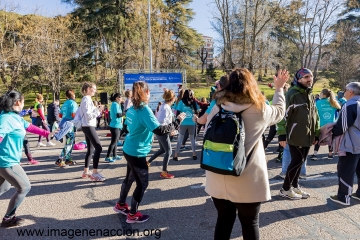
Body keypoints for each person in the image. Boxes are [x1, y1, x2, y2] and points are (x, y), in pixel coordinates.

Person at [202, 68, 288, 240]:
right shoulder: (260, 109)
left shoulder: (219, 106)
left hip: (218, 174)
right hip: (247, 177)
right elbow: (279, 112)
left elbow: (206, 133)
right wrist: (279, 89)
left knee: (224, 220)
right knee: (250, 223)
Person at [112, 81, 185, 223]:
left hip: (130, 149)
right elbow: (159, 130)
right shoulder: (144, 109)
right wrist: (177, 121)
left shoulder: (132, 108)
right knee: (142, 184)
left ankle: (121, 204)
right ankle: (132, 214)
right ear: (146, 93)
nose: (150, 94)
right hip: (137, 152)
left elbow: (127, 127)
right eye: (149, 91)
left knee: (130, 178)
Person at [0, 90, 50, 227]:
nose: (23, 104)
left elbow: (30, 127)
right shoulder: (6, 118)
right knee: (24, 187)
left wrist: (47, 133)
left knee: (3, 188)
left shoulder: (15, 117)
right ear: (17, 102)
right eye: (23, 101)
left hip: (7, 160)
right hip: (6, 161)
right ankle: (8, 219)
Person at [278, 68, 320, 200]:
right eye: (306, 77)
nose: (309, 79)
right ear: (299, 79)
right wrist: (282, 134)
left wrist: (317, 133)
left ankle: (295, 186)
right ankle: (285, 189)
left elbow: (315, 115)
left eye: (311, 76)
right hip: (295, 134)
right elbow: (282, 115)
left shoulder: (310, 94)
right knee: (296, 161)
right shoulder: (292, 94)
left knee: (301, 161)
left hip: (308, 135)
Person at [330, 82, 360, 206]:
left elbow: (341, 127)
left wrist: (330, 132)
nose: (344, 92)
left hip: (351, 144)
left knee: (345, 170)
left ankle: (343, 197)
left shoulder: (350, 105)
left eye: (345, 90)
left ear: (350, 92)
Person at [147, 89, 177, 179]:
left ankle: (148, 162)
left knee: (162, 150)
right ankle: (164, 171)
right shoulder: (165, 108)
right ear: (172, 98)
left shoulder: (164, 106)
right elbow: (161, 121)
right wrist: (169, 130)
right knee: (169, 151)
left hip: (161, 131)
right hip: (162, 132)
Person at [79, 82, 104, 181]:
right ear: (88, 89)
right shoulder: (86, 99)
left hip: (88, 125)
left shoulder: (87, 99)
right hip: (88, 125)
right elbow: (88, 116)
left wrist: (97, 109)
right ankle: (95, 173)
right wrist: (98, 111)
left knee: (91, 149)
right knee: (99, 148)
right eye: (94, 89)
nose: (95, 91)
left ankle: (86, 171)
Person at [309, 89, 341, 160]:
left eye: (320, 93)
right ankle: (330, 154)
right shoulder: (334, 102)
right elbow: (340, 111)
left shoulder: (318, 103)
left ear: (323, 95)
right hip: (331, 124)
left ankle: (315, 154)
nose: (319, 94)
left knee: (319, 138)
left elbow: (314, 114)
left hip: (321, 124)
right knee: (331, 139)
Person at [173, 89, 199, 161]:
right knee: (192, 139)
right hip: (192, 123)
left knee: (180, 139)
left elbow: (178, 113)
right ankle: (194, 154)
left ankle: (176, 155)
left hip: (183, 123)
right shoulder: (193, 102)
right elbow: (197, 112)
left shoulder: (181, 102)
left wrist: (177, 121)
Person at [55, 90, 78, 167]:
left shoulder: (65, 103)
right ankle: (60, 159)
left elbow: (60, 115)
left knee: (69, 141)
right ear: (73, 95)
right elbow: (74, 114)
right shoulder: (73, 103)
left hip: (63, 123)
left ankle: (68, 159)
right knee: (70, 143)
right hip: (70, 124)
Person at [105, 93, 123, 163]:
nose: (121, 99)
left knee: (115, 142)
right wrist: (126, 112)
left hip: (117, 125)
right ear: (117, 98)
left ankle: (115, 155)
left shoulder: (117, 104)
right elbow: (118, 115)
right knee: (113, 142)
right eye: (120, 97)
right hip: (115, 125)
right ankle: (107, 156)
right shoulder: (115, 104)